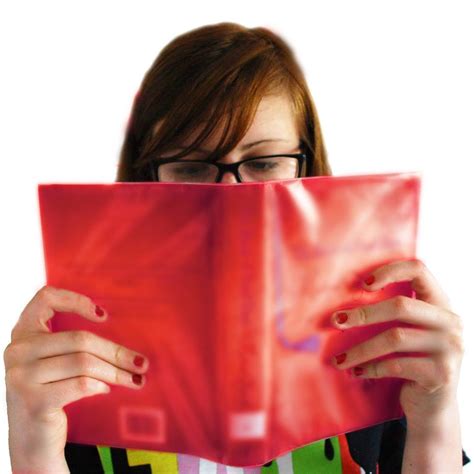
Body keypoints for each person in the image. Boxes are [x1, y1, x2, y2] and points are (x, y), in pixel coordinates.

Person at [4, 22, 471, 474]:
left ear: (306, 166)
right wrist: (33, 443)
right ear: (147, 177)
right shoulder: (82, 350)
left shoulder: (375, 328)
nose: (230, 193)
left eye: (264, 162)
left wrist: (435, 417)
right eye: (190, 166)